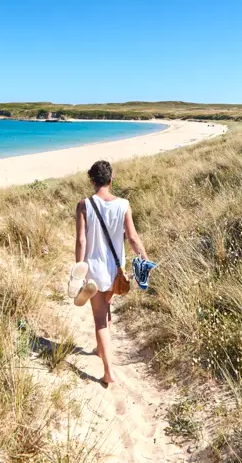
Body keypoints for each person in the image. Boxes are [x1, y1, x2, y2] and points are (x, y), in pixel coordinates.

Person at [75, 160, 148, 385]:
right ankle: (100, 348)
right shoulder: (124, 204)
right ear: (111, 179)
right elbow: (133, 237)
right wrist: (144, 258)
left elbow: (81, 239)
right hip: (115, 270)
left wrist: (79, 269)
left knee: (99, 320)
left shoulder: (84, 204)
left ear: (92, 180)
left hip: (94, 271)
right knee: (106, 308)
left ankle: (108, 371)